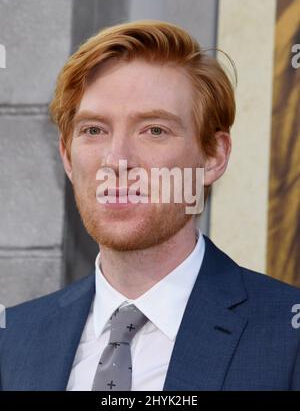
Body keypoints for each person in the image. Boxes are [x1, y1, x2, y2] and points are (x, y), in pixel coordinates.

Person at [1, 20, 300, 391]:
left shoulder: (287, 340)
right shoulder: (11, 341)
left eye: (154, 130)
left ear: (213, 156)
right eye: (94, 130)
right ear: (66, 156)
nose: (117, 159)